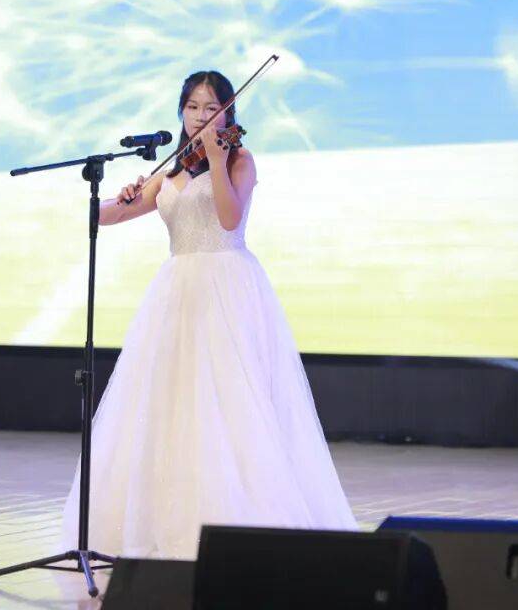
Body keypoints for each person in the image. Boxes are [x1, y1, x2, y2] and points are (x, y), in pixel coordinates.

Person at [60, 70, 357, 560]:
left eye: (211, 107)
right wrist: (120, 196)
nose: (200, 116)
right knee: (173, 401)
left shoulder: (239, 160)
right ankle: (166, 520)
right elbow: (106, 217)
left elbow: (229, 218)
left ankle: (236, 524)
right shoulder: (172, 169)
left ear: (227, 112)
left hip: (227, 288)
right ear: (181, 111)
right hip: (177, 291)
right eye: (193, 106)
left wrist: (217, 162)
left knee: (229, 400)